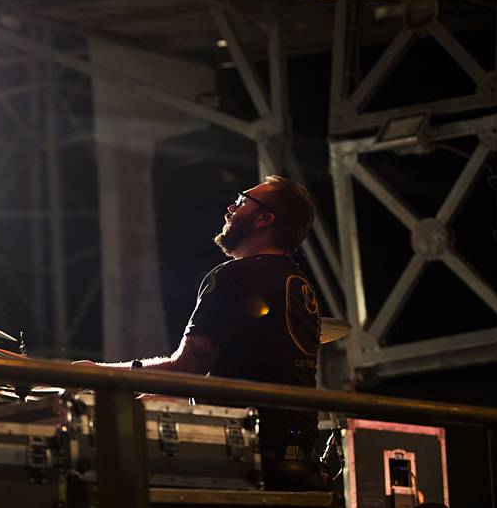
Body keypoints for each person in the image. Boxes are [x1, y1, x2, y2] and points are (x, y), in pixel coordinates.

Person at [79, 175, 321, 462]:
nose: (230, 208)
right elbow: (254, 370)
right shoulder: (297, 282)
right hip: (295, 446)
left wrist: (96, 373)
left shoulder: (236, 276)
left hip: (247, 448)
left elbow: (189, 365)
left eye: (243, 201)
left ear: (265, 219)